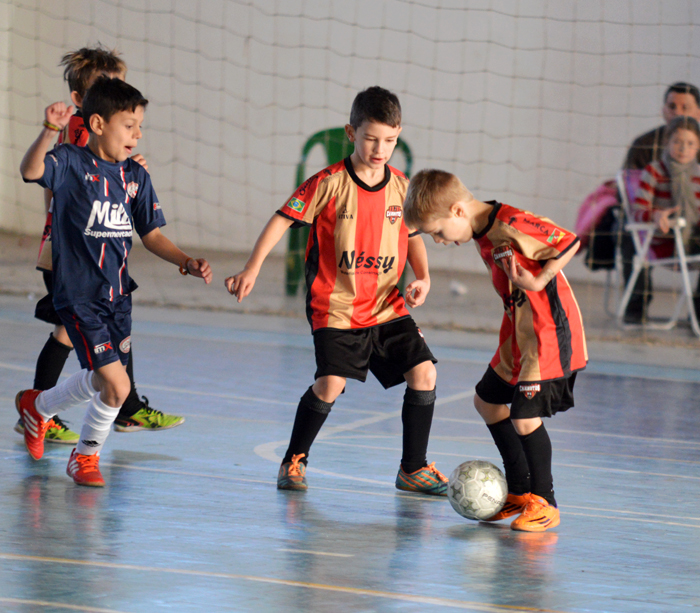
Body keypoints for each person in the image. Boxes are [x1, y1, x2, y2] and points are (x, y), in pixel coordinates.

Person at [225, 86, 447, 495]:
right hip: (336, 305)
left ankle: (412, 468)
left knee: (425, 372)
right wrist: (252, 268)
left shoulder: (402, 187)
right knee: (330, 384)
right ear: (351, 132)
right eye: (371, 138)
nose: (380, 149)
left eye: (390, 141)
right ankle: (294, 460)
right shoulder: (328, 183)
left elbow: (411, 234)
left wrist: (424, 276)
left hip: (386, 305)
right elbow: (280, 220)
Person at [16, 76, 212, 486]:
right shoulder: (69, 162)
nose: (137, 134)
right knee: (117, 383)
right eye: (129, 125)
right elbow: (30, 171)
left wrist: (186, 261)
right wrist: (50, 128)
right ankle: (84, 458)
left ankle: (38, 408)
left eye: (140, 126)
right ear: (99, 124)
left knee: (111, 387)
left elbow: (152, 234)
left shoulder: (135, 177)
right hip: (79, 296)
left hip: (118, 297)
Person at [403, 169, 587, 532]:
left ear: (458, 211)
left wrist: (538, 279)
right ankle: (518, 491)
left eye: (437, 232)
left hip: (548, 331)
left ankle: (546, 502)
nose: (438, 240)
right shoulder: (482, 228)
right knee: (486, 401)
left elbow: (569, 241)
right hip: (518, 332)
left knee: (524, 416)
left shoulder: (510, 222)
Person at [622, 82, 700, 321]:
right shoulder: (649, 159)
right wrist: (655, 215)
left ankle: (697, 313)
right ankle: (637, 307)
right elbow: (634, 203)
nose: (677, 112)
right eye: (672, 106)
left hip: (692, 235)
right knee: (626, 233)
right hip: (657, 235)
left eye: (685, 107)